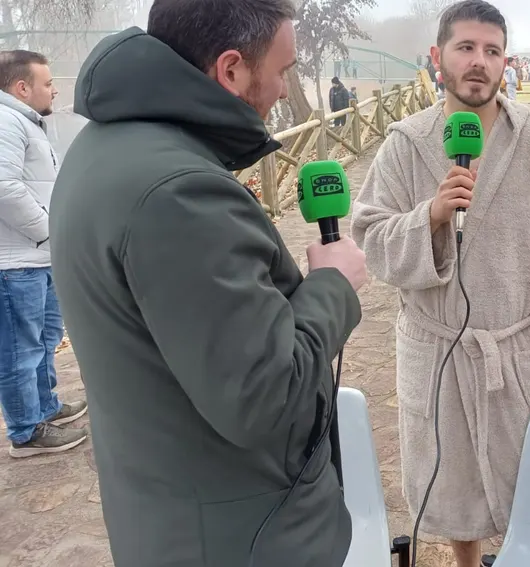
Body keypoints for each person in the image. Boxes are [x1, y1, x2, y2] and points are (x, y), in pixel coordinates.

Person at [48, 0, 368, 564]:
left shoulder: (105, 145)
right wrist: (333, 286)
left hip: (173, 514)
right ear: (231, 70)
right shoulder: (179, 191)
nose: (281, 89)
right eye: (282, 70)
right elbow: (263, 397)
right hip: (246, 536)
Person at [350, 2, 530, 565]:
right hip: (437, 347)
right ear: (437, 57)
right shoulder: (404, 144)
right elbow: (369, 238)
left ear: (504, 63)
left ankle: (527, 554)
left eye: (492, 51)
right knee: (452, 484)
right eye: (466, 48)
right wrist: (431, 217)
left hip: (519, 350)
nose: (479, 62)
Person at [0, 49, 88, 458]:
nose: (54, 89)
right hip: (16, 262)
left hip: (37, 257)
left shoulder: (27, 122)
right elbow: (4, 189)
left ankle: (45, 407)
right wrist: (48, 232)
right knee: (21, 348)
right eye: (48, 82)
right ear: (22, 87)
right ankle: (25, 431)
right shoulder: (5, 122)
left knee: (45, 338)